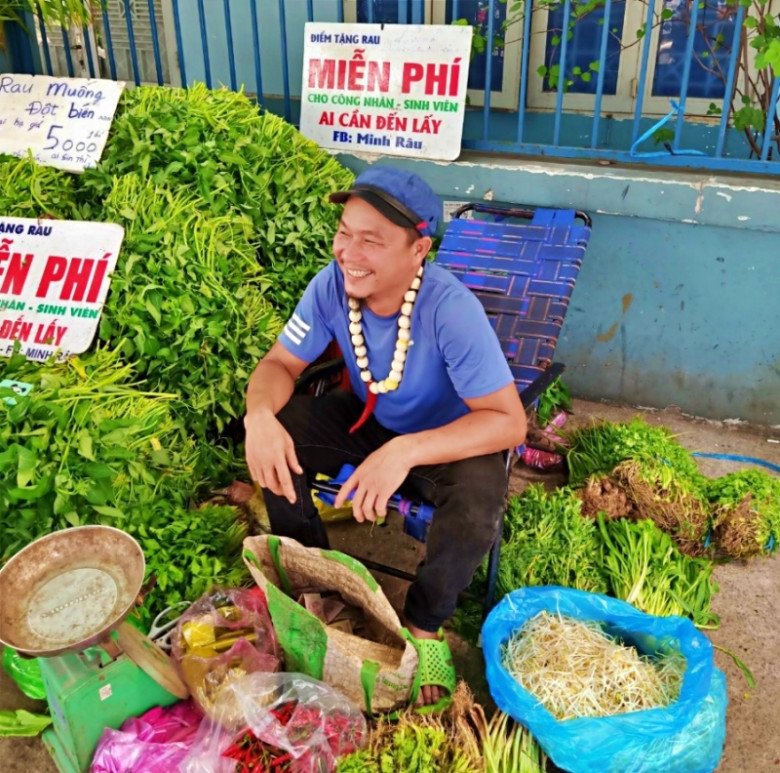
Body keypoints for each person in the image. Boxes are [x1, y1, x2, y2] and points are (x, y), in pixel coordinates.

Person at [244, 166, 527, 710]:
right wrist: (258, 416)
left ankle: (423, 627)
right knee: (278, 434)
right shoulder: (331, 285)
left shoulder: (450, 309)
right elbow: (280, 364)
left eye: (371, 241)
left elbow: (509, 422)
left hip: (446, 439)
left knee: (476, 506)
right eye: (345, 232)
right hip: (369, 419)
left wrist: (406, 450)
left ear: (418, 249)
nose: (349, 251)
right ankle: (321, 588)